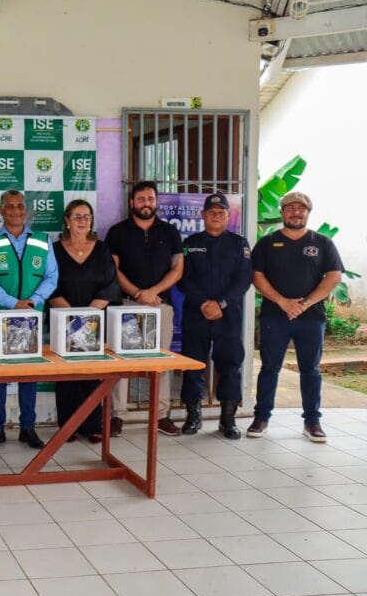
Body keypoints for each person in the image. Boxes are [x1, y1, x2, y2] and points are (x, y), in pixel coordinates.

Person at [248, 191, 343, 442]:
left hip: (311, 318)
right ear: (282, 212)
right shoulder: (267, 243)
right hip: (274, 316)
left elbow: (334, 276)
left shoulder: (322, 243)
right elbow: (257, 276)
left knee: (310, 370)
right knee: (269, 368)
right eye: (290, 208)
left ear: (308, 213)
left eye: (301, 209)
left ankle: (312, 421)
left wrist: (304, 303)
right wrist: (282, 301)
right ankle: (261, 417)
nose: (296, 213)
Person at [0, 190, 56, 450]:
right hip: (0, 317)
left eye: (20, 206)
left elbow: (52, 277)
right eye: (9, 206)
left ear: (27, 210)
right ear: (1, 210)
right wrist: (13, 303)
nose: (15, 211)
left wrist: (32, 301)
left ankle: (28, 428)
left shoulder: (43, 240)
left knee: (28, 374)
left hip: (31, 318)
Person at [105, 181, 184, 437]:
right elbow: (113, 270)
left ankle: (161, 415)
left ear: (156, 202)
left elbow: (178, 269)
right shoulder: (117, 232)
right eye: (141, 199)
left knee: (160, 361)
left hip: (161, 305)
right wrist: (138, 293)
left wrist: (153, 293)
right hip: (127, 304)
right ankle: (117, 415)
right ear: (132, 203)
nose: (146, 203)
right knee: (122, 362)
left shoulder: (170, 232)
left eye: (150, 199)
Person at [177, 193, 252, 440]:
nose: (216, 215)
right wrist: (204, 303)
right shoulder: (191, 242)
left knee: (230, 365)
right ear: (203, 215)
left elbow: (243, 280)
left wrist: (220, 303)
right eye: (211, 212)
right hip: (196, 313)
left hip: (228, 315)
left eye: (221, 212)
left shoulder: (240, 244)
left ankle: (227, 419)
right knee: (193, 365)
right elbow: (184, 279)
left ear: (229, 216)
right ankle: (192, 416)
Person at [48, 199, 120, 443]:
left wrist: (87, 317)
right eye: (77, 216)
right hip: (63, 321)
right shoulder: (54, 250)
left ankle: (93, 426)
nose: (82, 221)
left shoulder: (102, 249)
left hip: (94, 322)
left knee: (91, 374)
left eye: (87, 217)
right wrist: (71, 318)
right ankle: (67, 427)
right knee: (67, 375)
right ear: (67, 220)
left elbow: (111, 284)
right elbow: (48, 285)